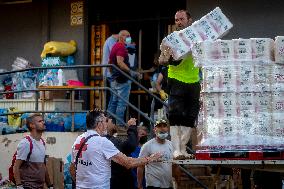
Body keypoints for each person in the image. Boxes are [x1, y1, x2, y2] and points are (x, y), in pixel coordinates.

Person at [69, 109, 161, 189]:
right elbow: (128, 163)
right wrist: (151, 158)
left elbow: (72, 168)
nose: (106, 124)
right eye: (105, 121)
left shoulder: (78, 139)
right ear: (99, 124)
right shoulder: (102, 142)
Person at [160, 10, 200, 159]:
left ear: (190, 20)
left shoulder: (198, 38)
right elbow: (161, 60)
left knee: (190, 117)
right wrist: (172, 57)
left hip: (194, 80)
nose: (179, 22)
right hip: (176, 79)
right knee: (176, 115)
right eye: (176, 20)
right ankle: (176, 149)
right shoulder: (170, 39)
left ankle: (183, 149)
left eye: (181, 19)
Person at [107, 30, 141, 126]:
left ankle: (108, 125)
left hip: (114, 79)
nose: (129, 38)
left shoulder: (115, 46)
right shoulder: (121, 47)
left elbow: (110, 63)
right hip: (122, 80)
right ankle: (119, 127)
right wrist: (131, 72)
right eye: (128, 36)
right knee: (121, 104)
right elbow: (120, 62)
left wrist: (112, 76)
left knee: (113, 103)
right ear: (121, 37)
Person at [13, 113, 52, 189]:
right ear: (32, 125)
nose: (43, 122)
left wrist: (50, 185)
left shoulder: (42, 142)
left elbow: (43, 166)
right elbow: (16, 167)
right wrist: (19, 186)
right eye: (40, 121)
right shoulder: (26, 143)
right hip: (28, 186)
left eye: (43, 121)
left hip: (39, 186)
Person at [137, 119, 173, 189]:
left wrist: (177, 181)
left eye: (164, 126)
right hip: (153, 185)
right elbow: (140, 166)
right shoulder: (147, 145)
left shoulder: (171, 144)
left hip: (168, 185)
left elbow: (174, 165)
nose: (162, 129)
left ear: (167, 129)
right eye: (159, 126)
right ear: (154, 130)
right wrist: (139, 185)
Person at [106, 118, 138, 189]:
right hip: (116, 182)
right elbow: (130, 146)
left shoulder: (110, 139)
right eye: (108, 120)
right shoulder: (106, 140)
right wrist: (132, 127)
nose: (114, 123)